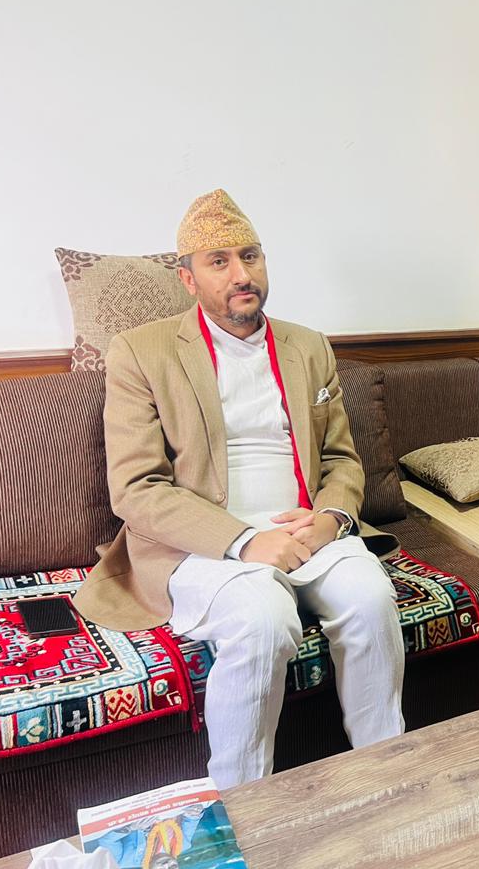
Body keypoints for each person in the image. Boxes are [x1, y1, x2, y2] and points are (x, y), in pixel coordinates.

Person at [74, 189, 405, 789]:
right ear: (188, 279)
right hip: (201, 545)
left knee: (371, 598)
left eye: (250, 257)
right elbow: (137, 488)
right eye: (219, 262)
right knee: (262, 616)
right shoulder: (142, 352)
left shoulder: (309, 345)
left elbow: (341, 460)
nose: (241, 275)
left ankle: (386, 777)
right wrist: (246, 542)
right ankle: (242, 802)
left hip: (306, 531)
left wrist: (330, 520)